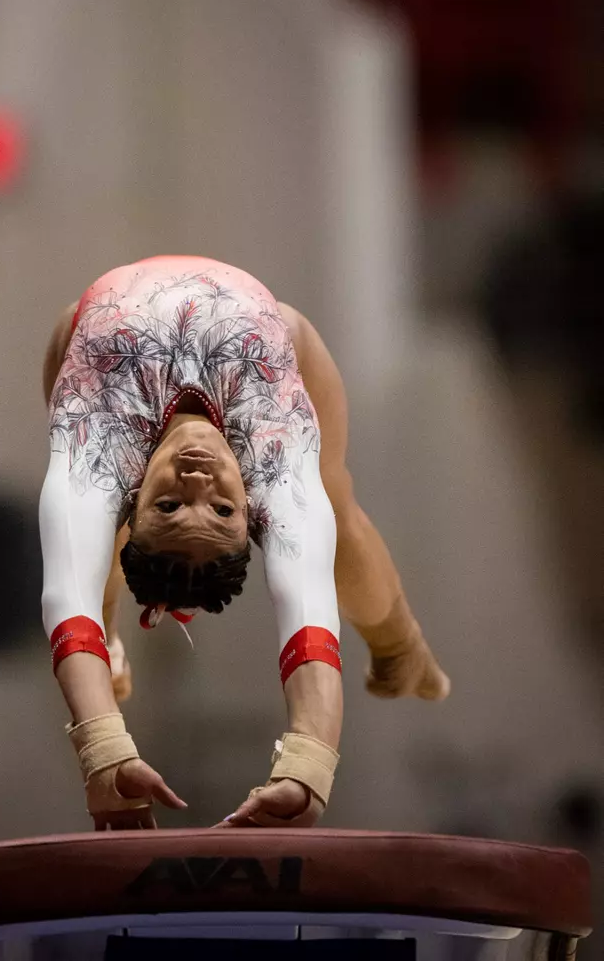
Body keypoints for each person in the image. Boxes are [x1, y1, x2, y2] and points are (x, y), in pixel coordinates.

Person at [39, 256, 449, 830]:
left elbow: (64, 599)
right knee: (333, 515)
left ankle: (108, 636)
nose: (198, 482)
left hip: (82, 345)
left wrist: (104, 752)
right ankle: (400, 643)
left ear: (136, 500)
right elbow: (309, 621)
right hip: (285, 344)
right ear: (255, 514)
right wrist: (308, 769)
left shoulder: (99, 433)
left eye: (169, 505)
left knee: (85, 533)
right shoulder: (271, 458)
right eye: (222, 509)